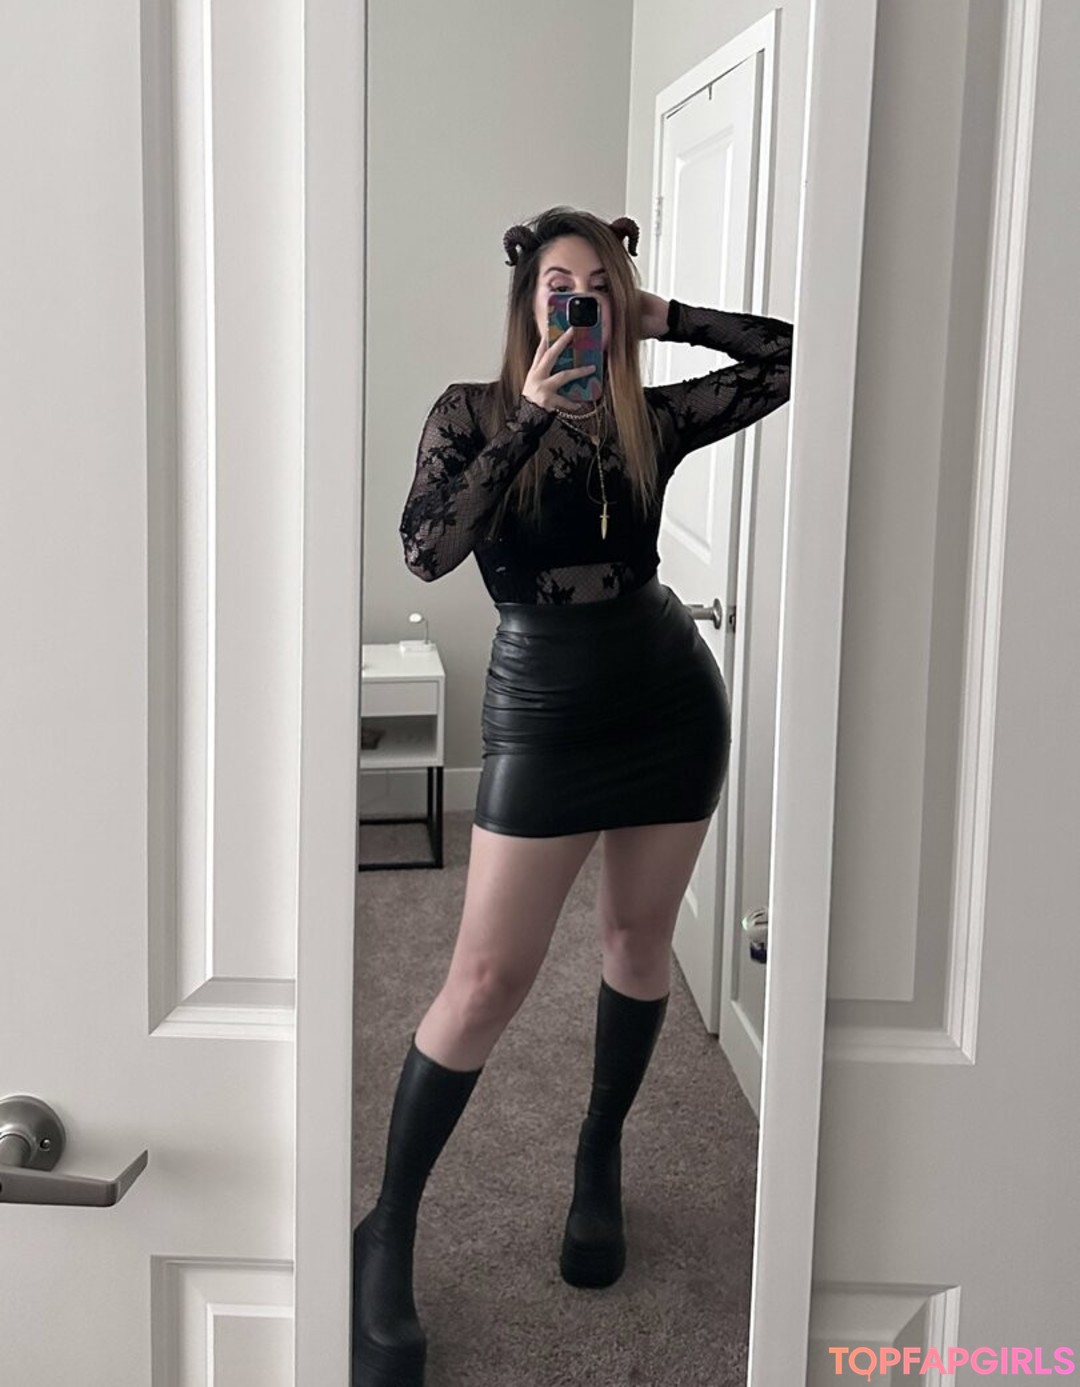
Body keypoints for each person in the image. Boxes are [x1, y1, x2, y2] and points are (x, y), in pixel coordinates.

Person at [352, 205, 794, 1385]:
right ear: (525, 301)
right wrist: (536, 415)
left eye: (601, 285)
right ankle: (388, 1226)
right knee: (484, 980)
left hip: (666, 698)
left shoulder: (651, 416)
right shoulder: (470, 413)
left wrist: (666, 316)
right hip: (543, 709)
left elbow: (794, 358)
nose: (583, 302)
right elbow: (428, 548)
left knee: (637, 942)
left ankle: (599, 1152)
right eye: (562, 286)